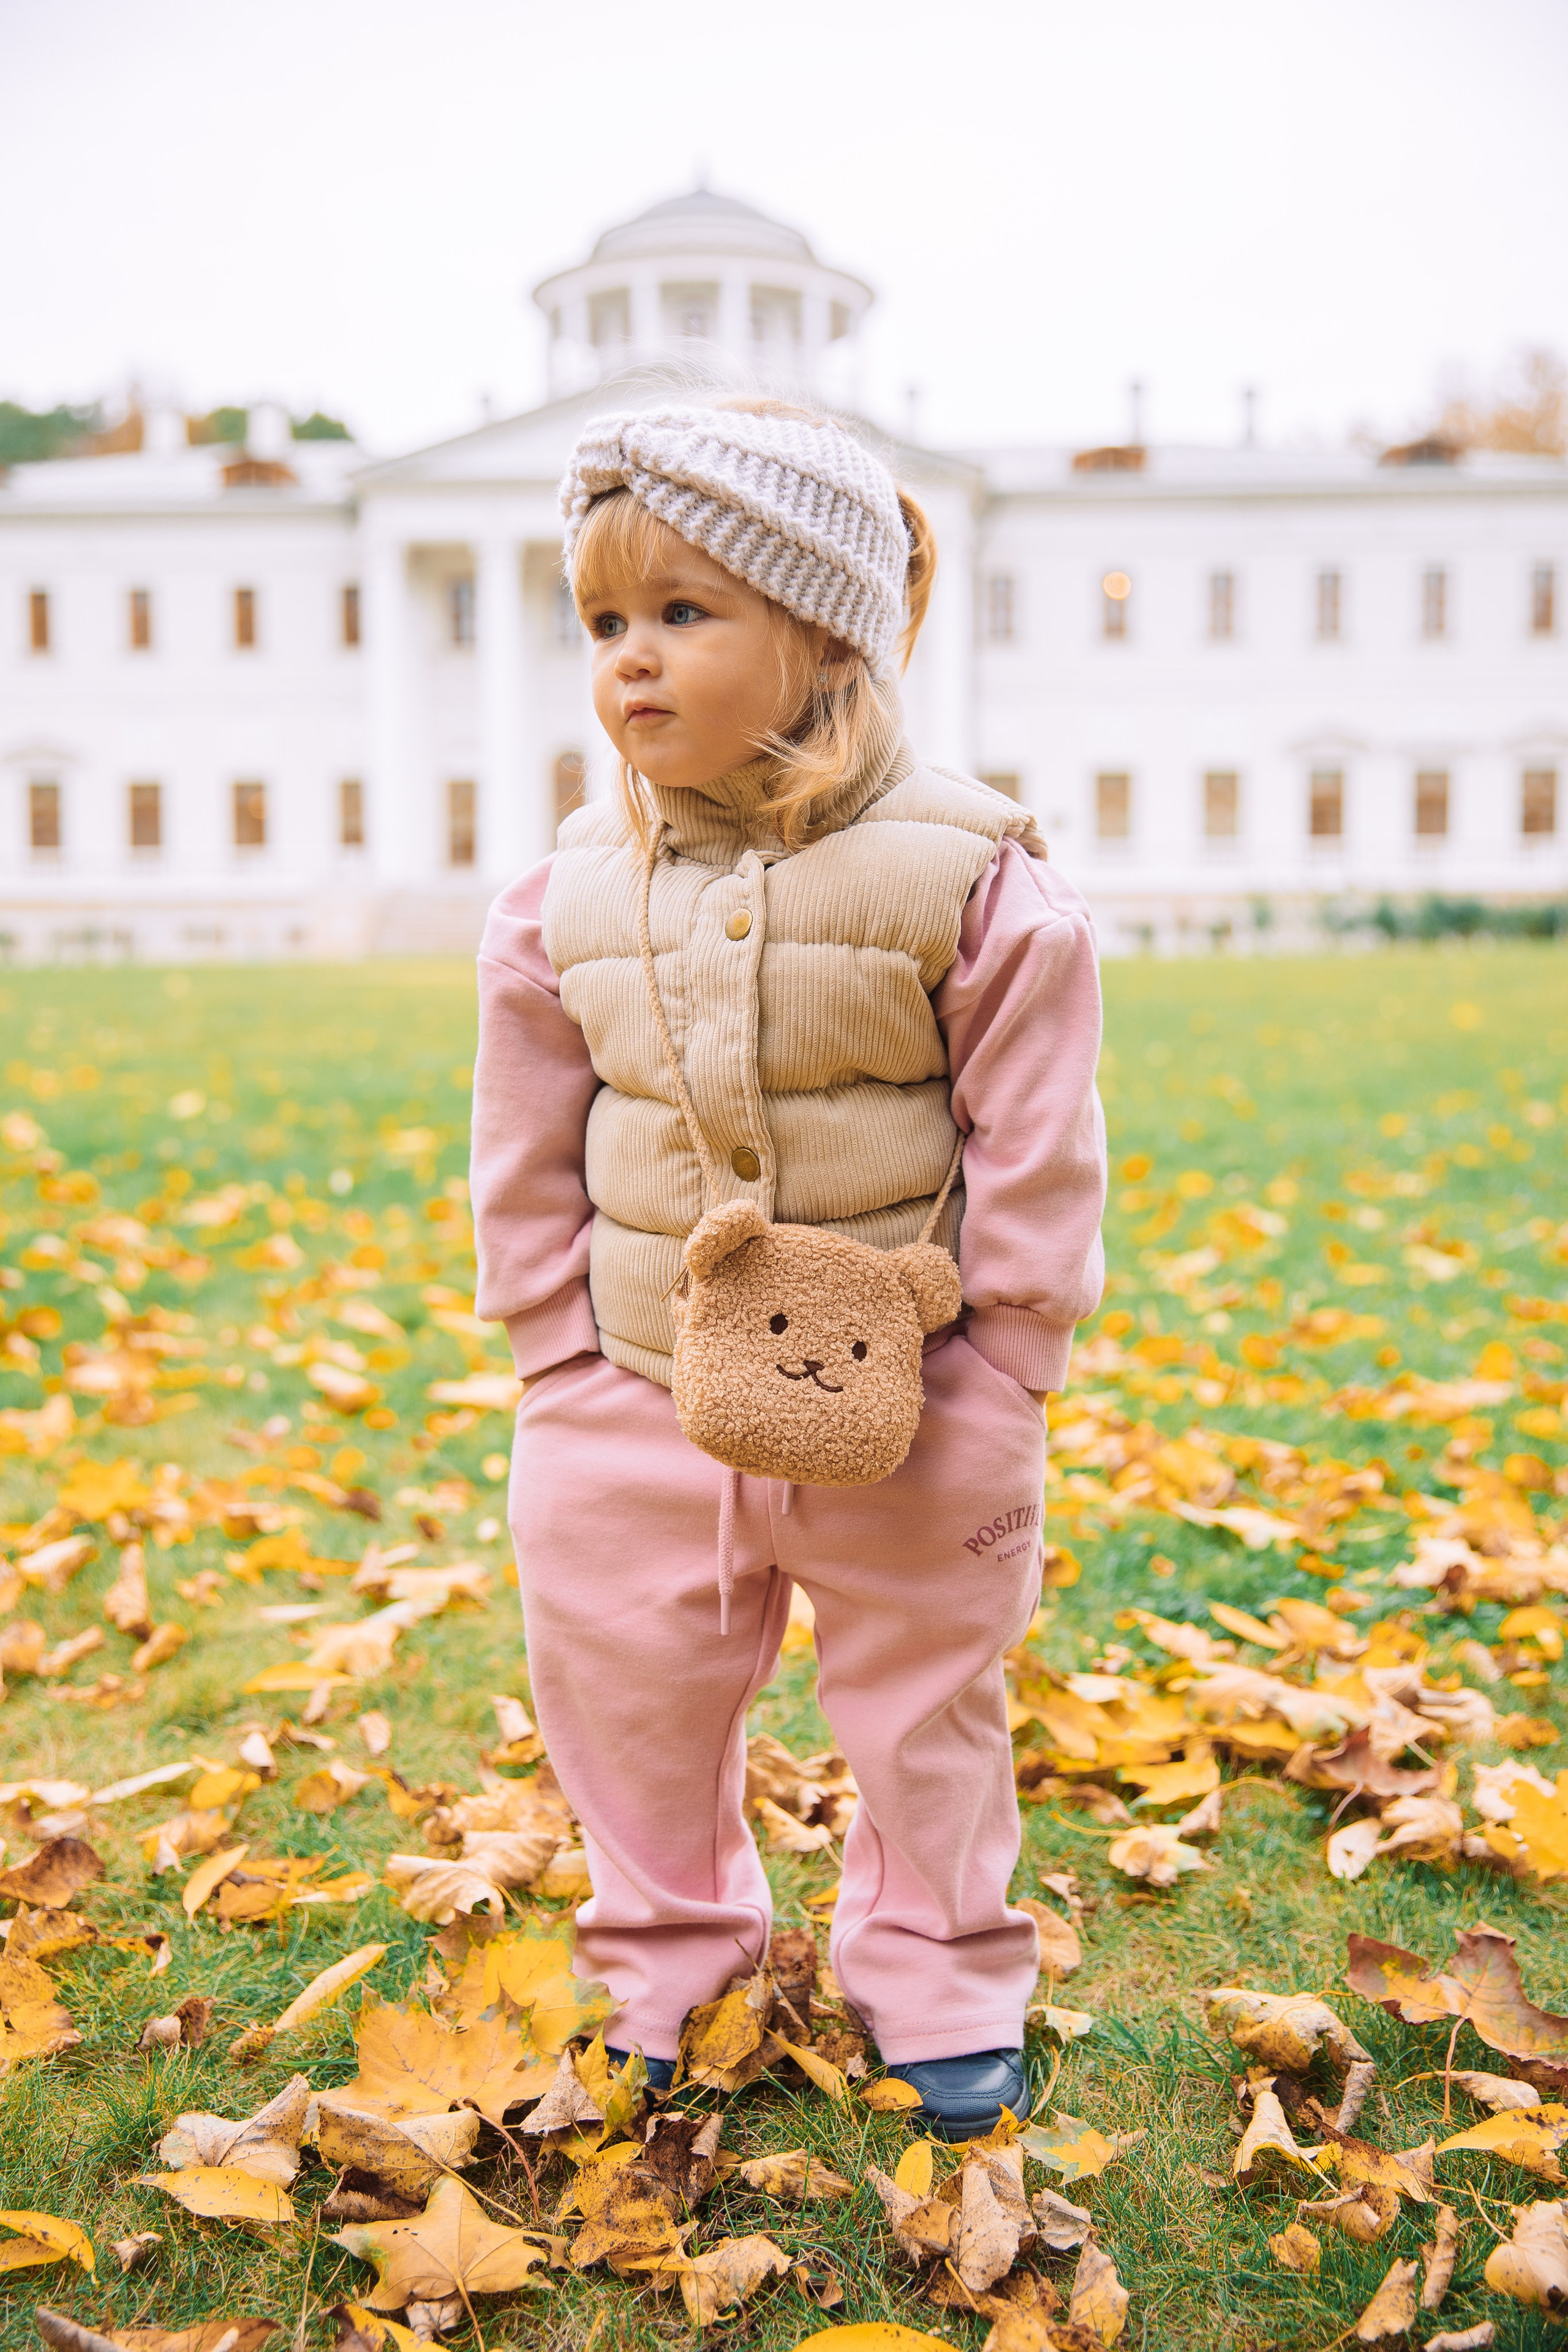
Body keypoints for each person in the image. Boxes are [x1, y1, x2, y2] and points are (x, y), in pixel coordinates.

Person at [470, 397, 1106, 2138]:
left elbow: (1036, 1149)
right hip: (628, 1385)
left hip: (911, 1395)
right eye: (604, 623)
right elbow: (522, 1139)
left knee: (921, 1710)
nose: (630, 662)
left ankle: (940, 1968)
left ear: (821, 628)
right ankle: (666, 1960)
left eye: (683, 614)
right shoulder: (561, 896)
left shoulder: (977, 878)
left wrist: (1012, 1374)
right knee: (629, 1700)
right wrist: (550, 1355)